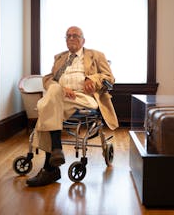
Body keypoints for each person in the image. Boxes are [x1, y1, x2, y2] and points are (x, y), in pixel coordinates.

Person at [26, 26, 118, 187]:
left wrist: (92, 79)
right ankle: (52, 161)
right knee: (53, 93)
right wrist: (61, 89)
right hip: (61, 97)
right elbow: (48, 78)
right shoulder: (60, 57)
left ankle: (52, 163)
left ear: (83, 40)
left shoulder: (95, 55)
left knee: (45, 106)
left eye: (75, 36)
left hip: (84, 98)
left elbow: (109, 77)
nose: (71, 38)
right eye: (68, 36)